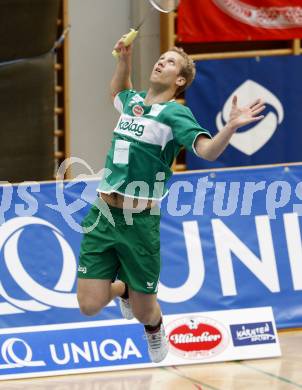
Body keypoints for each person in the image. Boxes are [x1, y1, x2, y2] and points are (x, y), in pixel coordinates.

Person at [76, 40, 265, 363]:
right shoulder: (133, 103)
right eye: (160, 58)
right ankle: (121, 287)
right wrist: (124, 59)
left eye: (170, 63)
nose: (161, 63)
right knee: (89, 305)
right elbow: (117, 93)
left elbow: (206, 150)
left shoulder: (176, 114)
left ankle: (155, 327)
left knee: (144, 312)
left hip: (141, 222)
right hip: (104, 213)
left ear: (180, 81)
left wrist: (230, 127)